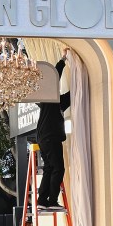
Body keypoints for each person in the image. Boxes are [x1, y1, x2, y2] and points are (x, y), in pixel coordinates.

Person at [36, 58, 70, 208]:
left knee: (49, 168)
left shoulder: (53, 102)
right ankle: (51, 201)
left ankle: (42, 201)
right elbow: (55, 75)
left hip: (44, 138)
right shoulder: (50, 98)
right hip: (50, 138)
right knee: (58, 168)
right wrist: (63, 60)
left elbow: (69, 98)